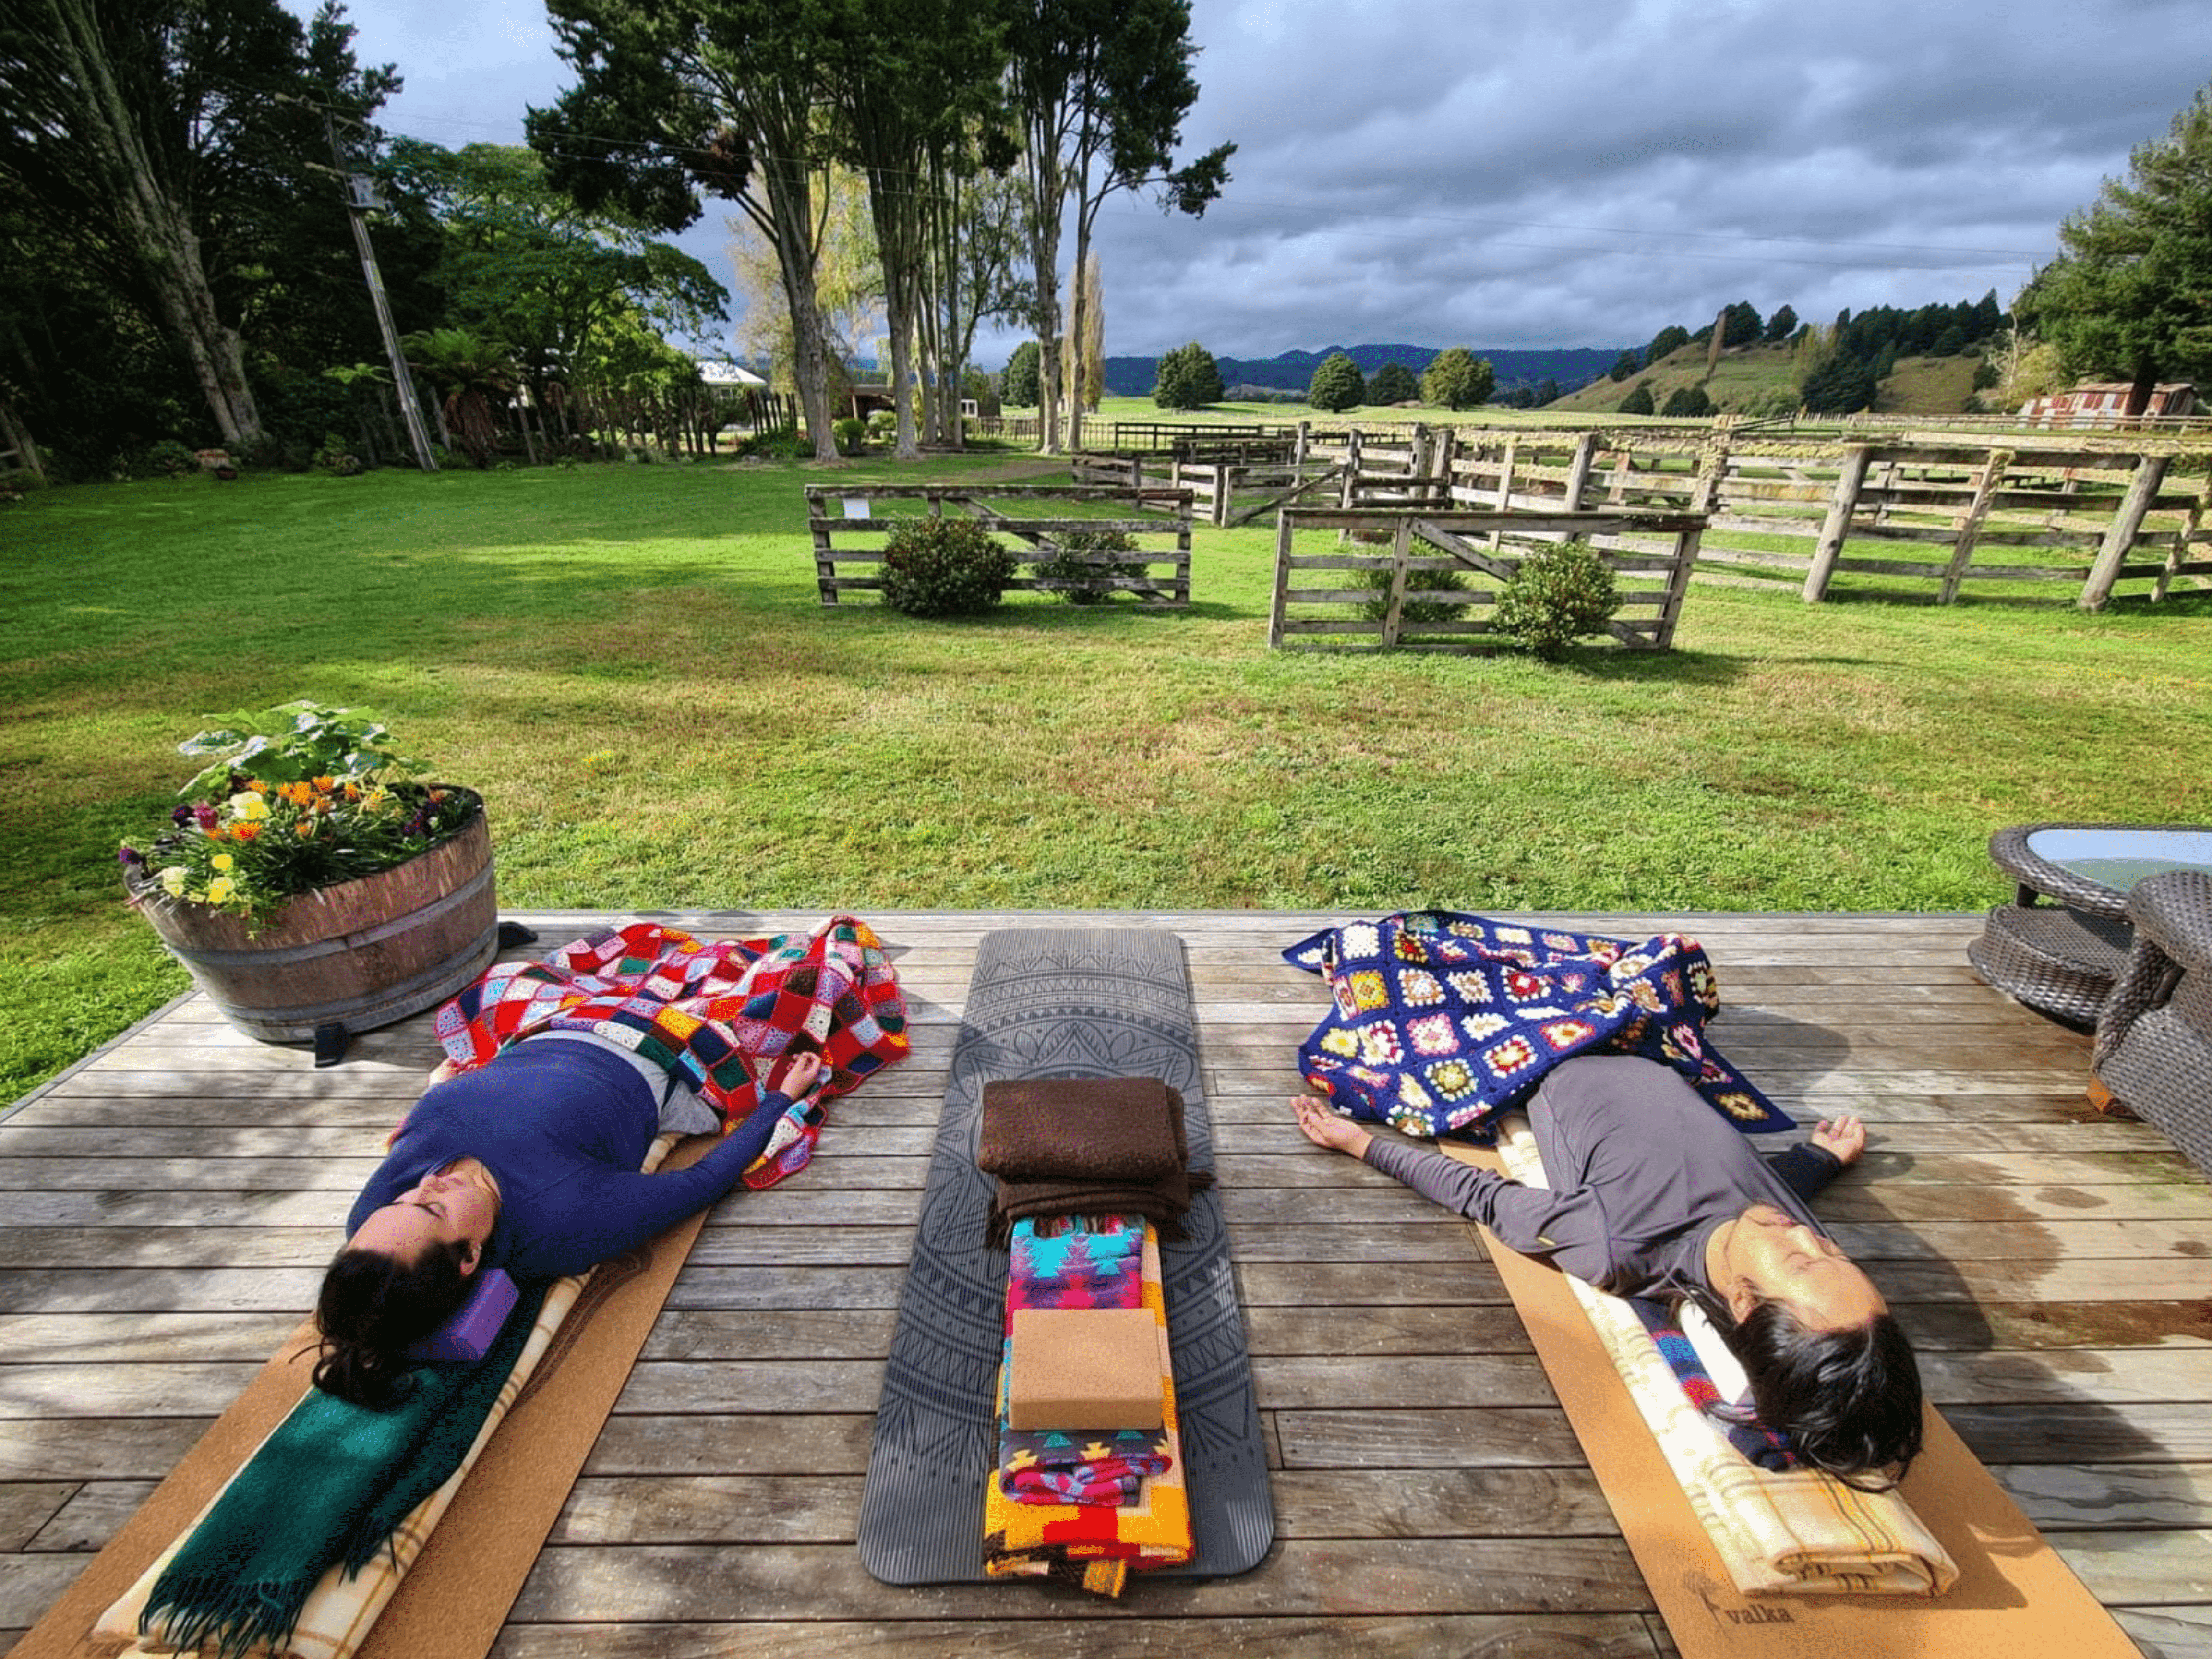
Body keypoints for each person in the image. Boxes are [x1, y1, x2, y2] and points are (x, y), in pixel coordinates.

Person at [1291, 1052, 1923, 1484]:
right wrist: (1819, 1157)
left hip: (1559, 1062)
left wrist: (1360, 1142)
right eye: (1835, 1251)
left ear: (1742, 1302)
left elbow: (1484, 1196)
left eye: (1802, 1258)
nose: (1809, 1238)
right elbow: (1762, 1187)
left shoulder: (1613, 1240)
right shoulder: (1778, 1227)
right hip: (1655, 1060)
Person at [313, 1030, 824, 1406]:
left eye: (399, 1202)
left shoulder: (372, 1217)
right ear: (470, 1256)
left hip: (532, 1032)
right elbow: (703, 1182)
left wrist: (432, 1093)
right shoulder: (565, 1222)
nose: (424, 1184)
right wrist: (781, 1098)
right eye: (432, 1207)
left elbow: (411, 1145)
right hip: (643, 1048)